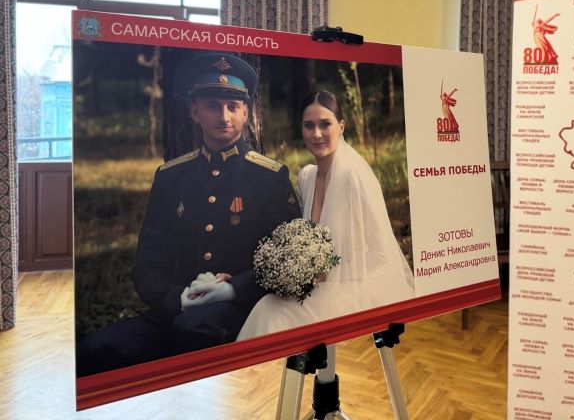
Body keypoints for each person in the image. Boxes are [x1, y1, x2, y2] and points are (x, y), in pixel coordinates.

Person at [76, 53, 301, 377]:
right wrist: (178, 299)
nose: (224, 116)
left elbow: (288, 259)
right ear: (194, 111)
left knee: (190, 334)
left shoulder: (269, 177)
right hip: (175, 309)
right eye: (212, 106)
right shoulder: (171, 177)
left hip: (236, 311)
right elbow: (147, 265)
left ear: (246, 112)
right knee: (93, 350)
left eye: (233, 106)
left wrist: (233, 288)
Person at [237, 90, 415, 339]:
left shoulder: (353, 175)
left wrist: (328, 274)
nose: (317, 134)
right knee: (267, 305)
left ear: (341, 127)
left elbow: (382, 255)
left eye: (325, 124)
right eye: (309, 126)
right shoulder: (307, 177)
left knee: (274, 314)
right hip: (321, 288)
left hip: (358, 287)